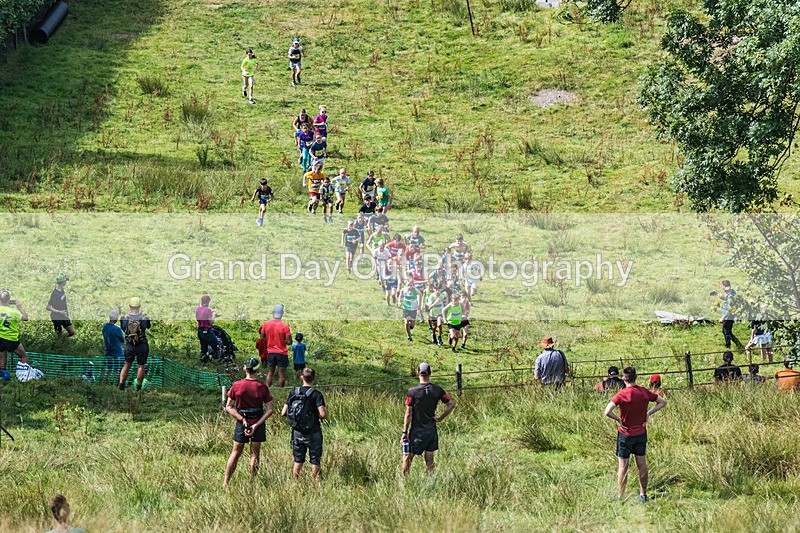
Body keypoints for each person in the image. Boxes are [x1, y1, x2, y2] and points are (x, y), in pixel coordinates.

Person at [603, 366, 667, 502]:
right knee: (641, 464)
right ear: (635, 377)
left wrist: (619, 420)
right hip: (641, 433)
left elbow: (607, 411)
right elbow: (662, 402)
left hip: (625, 433)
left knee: (623, 465)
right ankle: (643, 494)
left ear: (624, 378)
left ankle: (621, 495)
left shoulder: (622, 394)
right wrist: (647, 413)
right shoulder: (643, 392)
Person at [223, 358, 275, 487]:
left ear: (245, 369)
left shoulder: (237, 385)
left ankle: (225, 483)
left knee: (235, 452)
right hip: (257, 420)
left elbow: (229, 406)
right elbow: (270, 409)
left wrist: (241, 419)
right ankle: (251, 483)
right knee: (254, 454)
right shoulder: (262, 387)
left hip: (242, 422)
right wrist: (257, 424)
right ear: (257, 370)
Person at [402, 362, 456, 475]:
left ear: (418, 373)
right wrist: (440, 418)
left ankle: (404, 482)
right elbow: (451, 404)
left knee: (407, 457)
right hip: (431, 429)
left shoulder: (412, 392)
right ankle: (430, 482)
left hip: (417, 431)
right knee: (430, 460)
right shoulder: (437, 390)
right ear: (430, 373)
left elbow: (408, 414)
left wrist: (404, 432)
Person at [281, 367, 327, 480]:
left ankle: (296, 482)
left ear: (301, 377)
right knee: (315, 459)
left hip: (297, 432)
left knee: (298, 460)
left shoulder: (293, 392)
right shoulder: (316, 394)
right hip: (313, 431)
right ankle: (315, 483)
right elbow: (323, 414)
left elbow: (283, 412)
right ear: (314, 379)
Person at [118, 297, 151, 391]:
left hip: (129, 345)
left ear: (129, 306)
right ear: (140, 306)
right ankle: (138, 389)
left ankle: (121, 386)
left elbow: (123, 328)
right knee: (141, 366)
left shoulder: (124, 318)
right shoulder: (144, 318)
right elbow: (148, 326)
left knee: (127, 365)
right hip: (142, 345)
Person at [259, 304, 292, 388]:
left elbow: (262, 337)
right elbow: (289, 342)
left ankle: (267, 388)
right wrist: (282, 341)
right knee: (281, 374)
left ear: (273, 312)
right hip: (282, 353)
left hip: (270, 352)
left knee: (270, 372)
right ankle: (281, 389)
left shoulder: (266, 324)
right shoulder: (285, 326)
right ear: (282, 313)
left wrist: (269, 341)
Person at [0, 290, 29, 381]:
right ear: (9, 300)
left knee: (3, 356)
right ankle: (22, 377)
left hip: (0, 338)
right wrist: (20, 307)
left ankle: (3, 377)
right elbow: (25, 318)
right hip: (11, 339)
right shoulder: (13, 312)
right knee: (23, 356)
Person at [716, 280, 743, 349]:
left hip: (728, 317)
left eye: (722, 287)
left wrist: (723, 318)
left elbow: (730, 309)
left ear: (725, 287)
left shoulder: (730, 296)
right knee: (725, 331)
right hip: (729, 317)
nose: (722, 288)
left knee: (727, 332)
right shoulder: (732, 293)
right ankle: (730, 344)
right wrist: (723, 298)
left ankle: (734, 345)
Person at [196, 294, 221, 364]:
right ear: (208, 302)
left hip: (200, 331)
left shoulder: (197, 308)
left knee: (203, 348)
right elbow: (211, 322)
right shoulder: (208, 310)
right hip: (207, 331)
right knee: (216, 346)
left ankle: (203, 360)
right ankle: (215, 362)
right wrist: (214, 316)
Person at [102, 310, 125, 382]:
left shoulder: (105, 326)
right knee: (122, 368)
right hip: (117, 352)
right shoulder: (117, 329)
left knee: (108, 368)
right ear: (116, 319)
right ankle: (120, 382)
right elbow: (123, 340)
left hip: (108, 351)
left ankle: (106, 382)